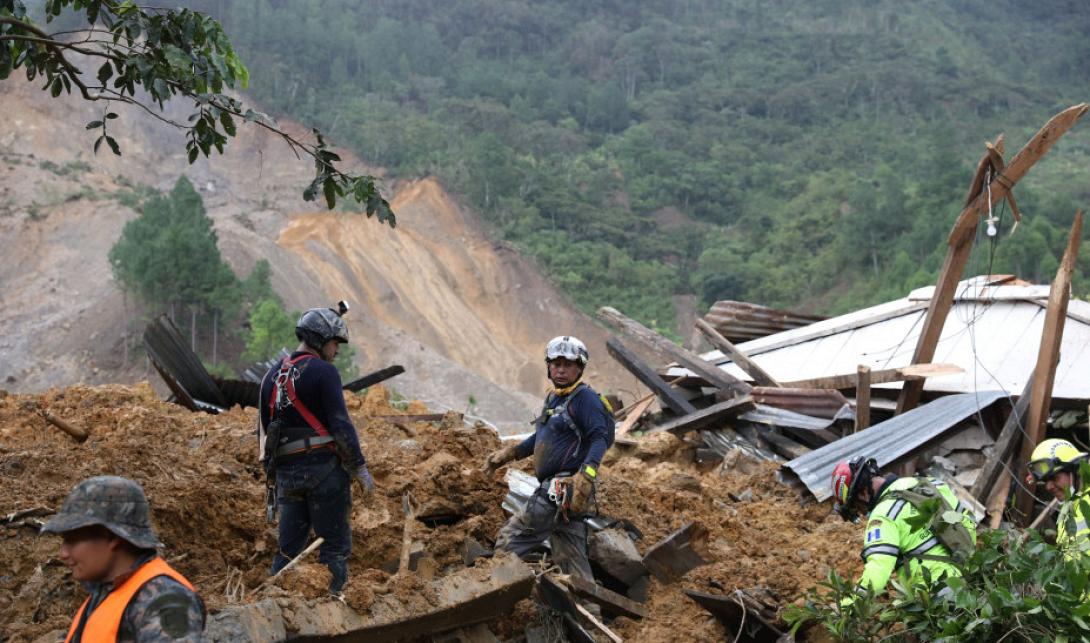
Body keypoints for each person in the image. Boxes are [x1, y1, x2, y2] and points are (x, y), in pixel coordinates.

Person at [258, 302, 374, 595]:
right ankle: (335, 606)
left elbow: (263, 431)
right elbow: (340, 425)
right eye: (335, 343)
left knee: (287, 551)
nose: (336, 350)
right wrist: (359, 467)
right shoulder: (324, 372)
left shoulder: (270, 377)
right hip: (324, 473)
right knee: (334, 548)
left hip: (287, 478)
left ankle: (277, 604)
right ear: (322, 340)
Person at [485, 335, 614, 580]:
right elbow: (541, 438)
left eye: (568, 364)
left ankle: (495, 595)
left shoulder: (585, 399)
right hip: (565, 498)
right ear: (548, 367)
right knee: (571, 559)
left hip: (560, 491)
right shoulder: (555, 398)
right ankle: (588, 609)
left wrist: (586, 475)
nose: (561, 369)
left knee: (509, 541)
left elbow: (599, 438)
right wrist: (509, 454)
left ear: (580, 368)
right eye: (556, 364)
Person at [40, 476, 205, 642]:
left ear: (111, 538)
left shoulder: (163, 599)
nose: (63, 553)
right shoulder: (108, 593)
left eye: (72, 540)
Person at [831, 457, 977, 597]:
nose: (862, 514)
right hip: (971, 576)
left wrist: (849, 607)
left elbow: (878, 571)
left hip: (936, 593)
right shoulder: (932, 484)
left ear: (863, 494)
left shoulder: (883, 515)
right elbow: (968, 522)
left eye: (857, 507)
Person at [1025, 438, 1090, 556]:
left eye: (1055, 478)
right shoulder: (1069, 510)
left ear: (1075, 470)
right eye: (1045, 481)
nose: (1048, 487)